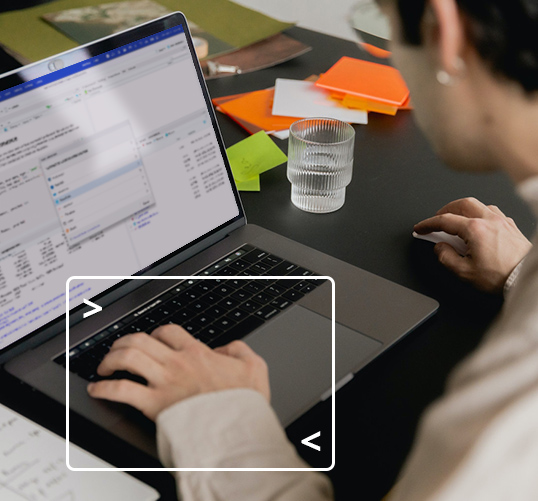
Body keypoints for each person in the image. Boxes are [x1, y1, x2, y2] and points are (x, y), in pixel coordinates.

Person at [88, 0, 538, 498]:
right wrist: (524, 272)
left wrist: (217, 418)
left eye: (384, 27)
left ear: (443, 30)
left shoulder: (517, 397)